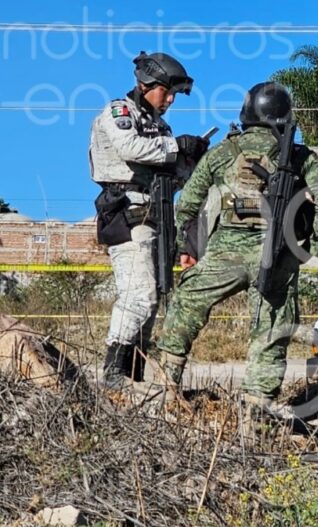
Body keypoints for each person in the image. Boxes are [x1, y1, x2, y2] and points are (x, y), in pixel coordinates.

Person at [149, 81, 318, 416]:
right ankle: (257, 409)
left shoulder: (223, 151)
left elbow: (188, 204)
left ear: (247, 114)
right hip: (278, 254)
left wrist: (185, 248)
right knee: (272, 329)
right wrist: (314, 247)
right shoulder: (300, 156)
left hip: (225, 253)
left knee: (186, 306)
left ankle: (165, 388)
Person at [90, 51, 209, 388]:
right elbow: (131, 148)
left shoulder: (160, 126)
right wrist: (176, 146)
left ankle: (134, 375)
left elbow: (175, 174)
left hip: (157, 214)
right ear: (145, 84)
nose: (170, 100)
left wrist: (194, 158)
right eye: (166, 92)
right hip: (127, 212)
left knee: (153, 300)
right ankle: (112, 374)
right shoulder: (119, 111)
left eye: (174, 94)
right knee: (139, 296)